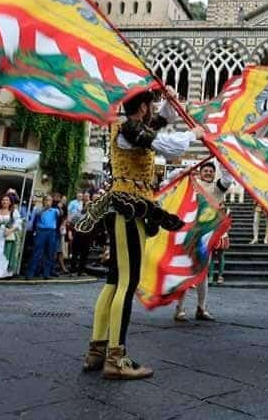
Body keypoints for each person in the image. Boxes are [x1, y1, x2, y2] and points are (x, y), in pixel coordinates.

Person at [81, 90, 198, 380]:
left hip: (125, 208)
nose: (154, 109)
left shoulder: (132, 128)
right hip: (129, 209)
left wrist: (170, 104)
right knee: (127, 282)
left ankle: (97, 350)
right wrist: (192, 135)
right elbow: (164, 145)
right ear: (143, 106)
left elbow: (156, 125)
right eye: (152, 105)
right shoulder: (129, 129)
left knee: (113, 281)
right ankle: (116, 357)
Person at [175, 160, 228, 321]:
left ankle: (201, 308)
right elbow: (174, 177)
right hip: (190, 234)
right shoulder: (192, 186)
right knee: (185, 271)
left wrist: (224, 161)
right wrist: (187, 170)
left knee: (203, 273)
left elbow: (227, 179)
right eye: (205, 170)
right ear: (200, 172)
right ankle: (179, 309)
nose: (208, 173)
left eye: (211, 171)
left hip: (207, 236)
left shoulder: (217, 188)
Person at [0, 194, 24, 281]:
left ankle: (2, 273)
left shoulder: (14, 211)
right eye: (3, 200)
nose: (4, 202)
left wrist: (10, 230)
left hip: (7, 235)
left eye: (6, 200)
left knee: (4, 253)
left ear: (10, 202)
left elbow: (18, 223)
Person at [26, 195, 60, 279]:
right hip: (41, 231)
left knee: (50, 253)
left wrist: (59, 206)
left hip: (51, 232)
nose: (48, 202)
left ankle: (46, 273)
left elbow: (61, 213)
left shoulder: (55, 210)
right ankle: (30, 273)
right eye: (47, 200)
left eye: (50, 200)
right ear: (43, 201)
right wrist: (45, 208)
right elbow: (37, 214)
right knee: (37, 252)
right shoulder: (38, 209)